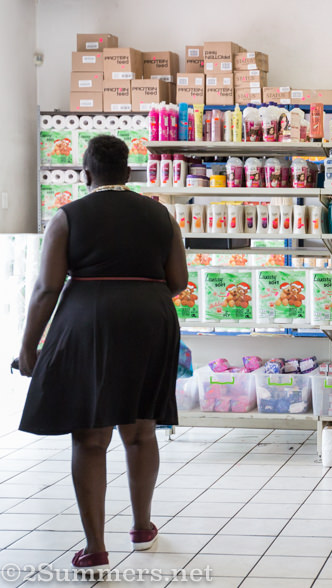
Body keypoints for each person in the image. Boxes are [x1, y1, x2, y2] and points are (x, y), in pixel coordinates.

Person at [18, 136, 187, 571]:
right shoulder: (161, 215)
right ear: (128, 172)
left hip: (88, 322)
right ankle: (143, 528)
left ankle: (95, 548)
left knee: (90, 437)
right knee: (141, 429)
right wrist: (139, 295)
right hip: (151, 319)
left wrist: (28, 348)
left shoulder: (68, 216)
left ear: (85, 173)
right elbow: (179, 280)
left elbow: (47, 289)